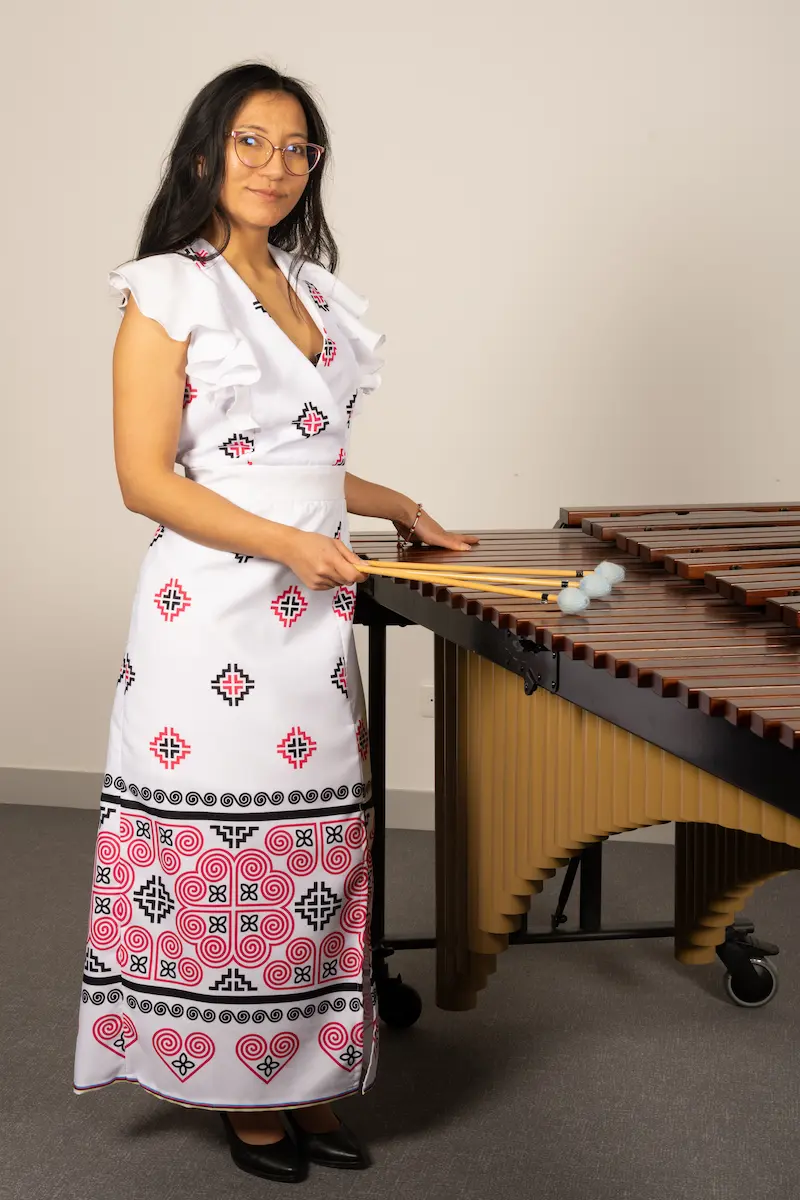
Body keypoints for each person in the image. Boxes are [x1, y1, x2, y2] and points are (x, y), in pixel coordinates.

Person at [72, 60, 478, 1183]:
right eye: (252, 142)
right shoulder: (167, 289)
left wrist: (397, 506)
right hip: (210, 614)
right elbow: (146, 480)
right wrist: (290, 545)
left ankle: (299, 1077)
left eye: (297, 148)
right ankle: (231, 1089)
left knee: (313, 848)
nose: (275, 165)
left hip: (311, 610)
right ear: (206, 154)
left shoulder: (308, 287)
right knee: (223, 849)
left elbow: (301, 458)